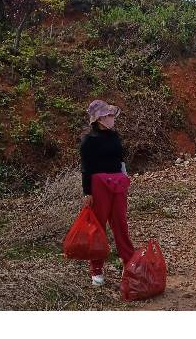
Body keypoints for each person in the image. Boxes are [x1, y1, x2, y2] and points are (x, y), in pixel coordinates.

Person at [79, 99, 135, 287]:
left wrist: (125, 177)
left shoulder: (115, 136)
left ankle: (129, 262)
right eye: (108, 115)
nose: (112, 118)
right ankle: (96, 269)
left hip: (118, 183)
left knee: (120, 223)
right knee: (98, 226)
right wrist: (87, 192)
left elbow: (120, 159)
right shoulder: (89, 140)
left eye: (111, 115)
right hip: (98, 184)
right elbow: (86, 168)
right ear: (100, 118)